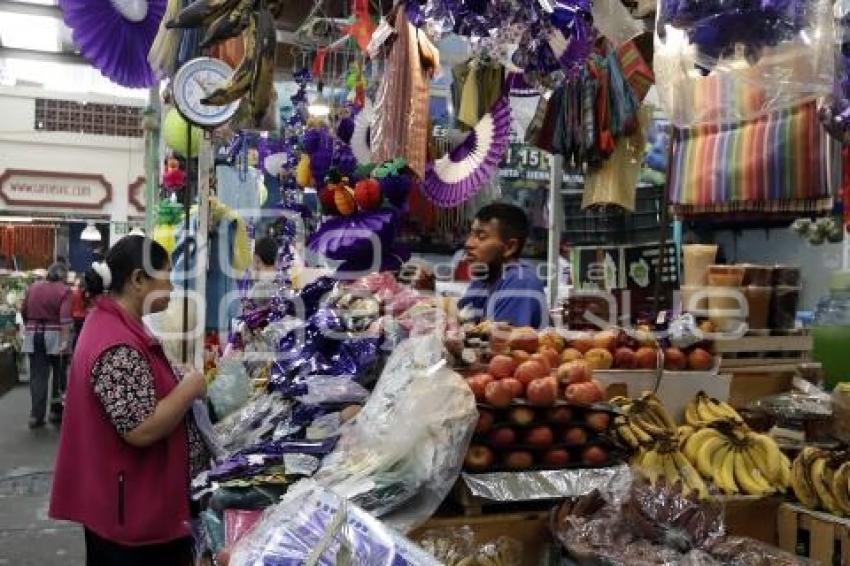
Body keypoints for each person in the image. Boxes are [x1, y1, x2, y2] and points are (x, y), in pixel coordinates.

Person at [50, 235, 208, 566]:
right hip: (133, 518)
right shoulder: (116, 344)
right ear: (138, 280)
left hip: (131, 507)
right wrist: (190, 387)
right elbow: (141, 427)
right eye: (166, 278)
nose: (173, 288)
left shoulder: (115, 327)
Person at [457, 203, 547, 328]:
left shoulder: (520, 282)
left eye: (481, 236)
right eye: (471, 234)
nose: (468, 243)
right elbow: (459, 322)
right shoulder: (484, 278)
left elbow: (501, 343)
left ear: (510, 247)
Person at [21, 261, 72, 428]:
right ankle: (56, 412)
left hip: (33, 333)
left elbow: (23, 310)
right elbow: (64, 320)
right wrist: (65, 342)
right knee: (59, 376)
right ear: (62, 275)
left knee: (37, 376)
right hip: (55, 335)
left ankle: (36, 416)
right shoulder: (64, 291)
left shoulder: (32, 287)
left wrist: (30, 326)